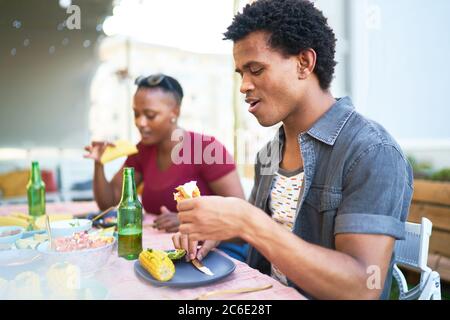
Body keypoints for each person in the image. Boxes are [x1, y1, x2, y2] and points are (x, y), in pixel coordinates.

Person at [173, 0, 413, 299]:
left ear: (304, 63)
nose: (244, 86)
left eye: (256, 69)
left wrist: (247, 221)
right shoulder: (269, 154)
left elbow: (364, 286)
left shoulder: (371, 152)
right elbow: (271, 231)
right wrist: (218, 229)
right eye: (240, 74)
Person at [84, 73, 248, 261]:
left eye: (150, 115)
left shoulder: (207, 149)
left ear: (175, 112)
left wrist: (189, 220)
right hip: (167, 253)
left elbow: (242, 220)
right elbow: (111, 203)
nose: (140, 122)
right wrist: (99, 163)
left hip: (217, 254)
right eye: (136, 114)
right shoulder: (142, 151)